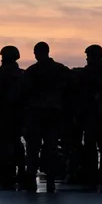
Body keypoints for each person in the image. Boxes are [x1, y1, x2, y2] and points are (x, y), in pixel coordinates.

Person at [21, 42, 71, 193]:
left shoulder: (31, 72)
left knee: (33, 149)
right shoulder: (60, 70)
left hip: (36, 115)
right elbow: (71, 89)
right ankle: (49, 180)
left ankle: (31, 179)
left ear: (37, 53)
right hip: (53, 115)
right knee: (51, 148)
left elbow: (22, 94)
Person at [70, 45, 102, 186]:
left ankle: (93, 173)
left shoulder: (93, 73)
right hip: (97, 115)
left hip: (95, 115)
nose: (87, 59)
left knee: (92, 145)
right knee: (100, 145)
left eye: (89, 56)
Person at [0, 46, 26, 185]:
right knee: (17, 142)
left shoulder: (3, 73)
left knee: (5, 143)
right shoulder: (21, 74)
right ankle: (21, 171)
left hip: (5, 115)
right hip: (19, 115)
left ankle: (8, 171)